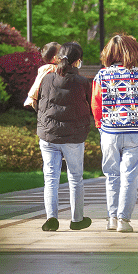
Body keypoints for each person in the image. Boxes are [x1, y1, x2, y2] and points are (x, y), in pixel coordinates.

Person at [91, 33, 138, 234]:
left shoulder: (102, 75)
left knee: (111, 175)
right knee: (130, 176)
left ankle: (111, 218)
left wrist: (100, 125)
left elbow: (96, 104)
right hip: (135, 131)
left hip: (110, 131)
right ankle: (124, 220)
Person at [35, 41, 93, 232]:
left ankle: (51, 218)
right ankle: (77, 219)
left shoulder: (47, 79)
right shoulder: (84, 83)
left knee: (50, 178)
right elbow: (91, 107)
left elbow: (41, 104)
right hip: (73, 137)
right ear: (77, 62)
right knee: (75, 178)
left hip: (48, 136)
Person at [24, 42, 60, 109]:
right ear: (55, 58)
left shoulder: (55, 68)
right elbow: (37, 83)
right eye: (62, 52)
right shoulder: (49, 68)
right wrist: (31, 97)